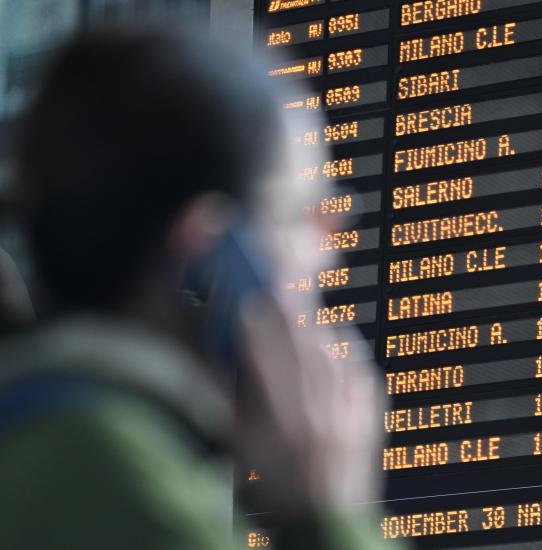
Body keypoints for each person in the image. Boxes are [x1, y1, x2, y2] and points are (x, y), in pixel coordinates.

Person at [0, 29, 389, 550]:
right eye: (304, 214)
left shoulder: (45, 426)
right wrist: (327, 515)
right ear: (208, 251)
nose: (329, 252)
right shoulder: (116, 479)